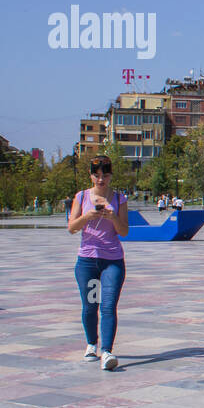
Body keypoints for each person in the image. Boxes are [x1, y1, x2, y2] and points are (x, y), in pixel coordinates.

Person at [67, 155, 129, 370]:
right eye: (97, 175)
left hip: (112, 261)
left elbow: (124, 231)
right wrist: (89, 216)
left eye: (105, 175)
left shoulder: (119, 198)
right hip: (87, 262)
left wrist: (112, 217)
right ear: (91, 175)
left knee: (108, 305)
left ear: (111, 176)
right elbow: (72, 227)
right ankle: (92, 343)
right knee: (90, 306)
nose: (101, 179)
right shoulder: (82, 196)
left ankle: (107, 352)